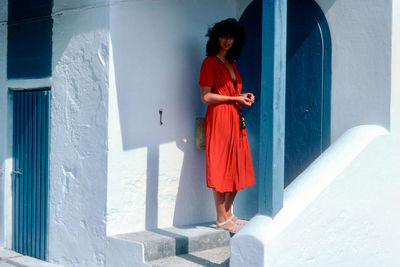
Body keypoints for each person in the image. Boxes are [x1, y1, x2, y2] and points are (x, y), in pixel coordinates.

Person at [198, 18, 255, 233]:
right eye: (224, 36)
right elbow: (206, 96)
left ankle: (230, 214)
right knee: (221, 165)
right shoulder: (209, 62)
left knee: (238, 164)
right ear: (216, 38)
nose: (228, 41)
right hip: (220, 117)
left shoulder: (232, 63)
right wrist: (235, 99)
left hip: (234, 116)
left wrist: (242, 97)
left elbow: (230, 93)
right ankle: (221, 218)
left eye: (232, 37)